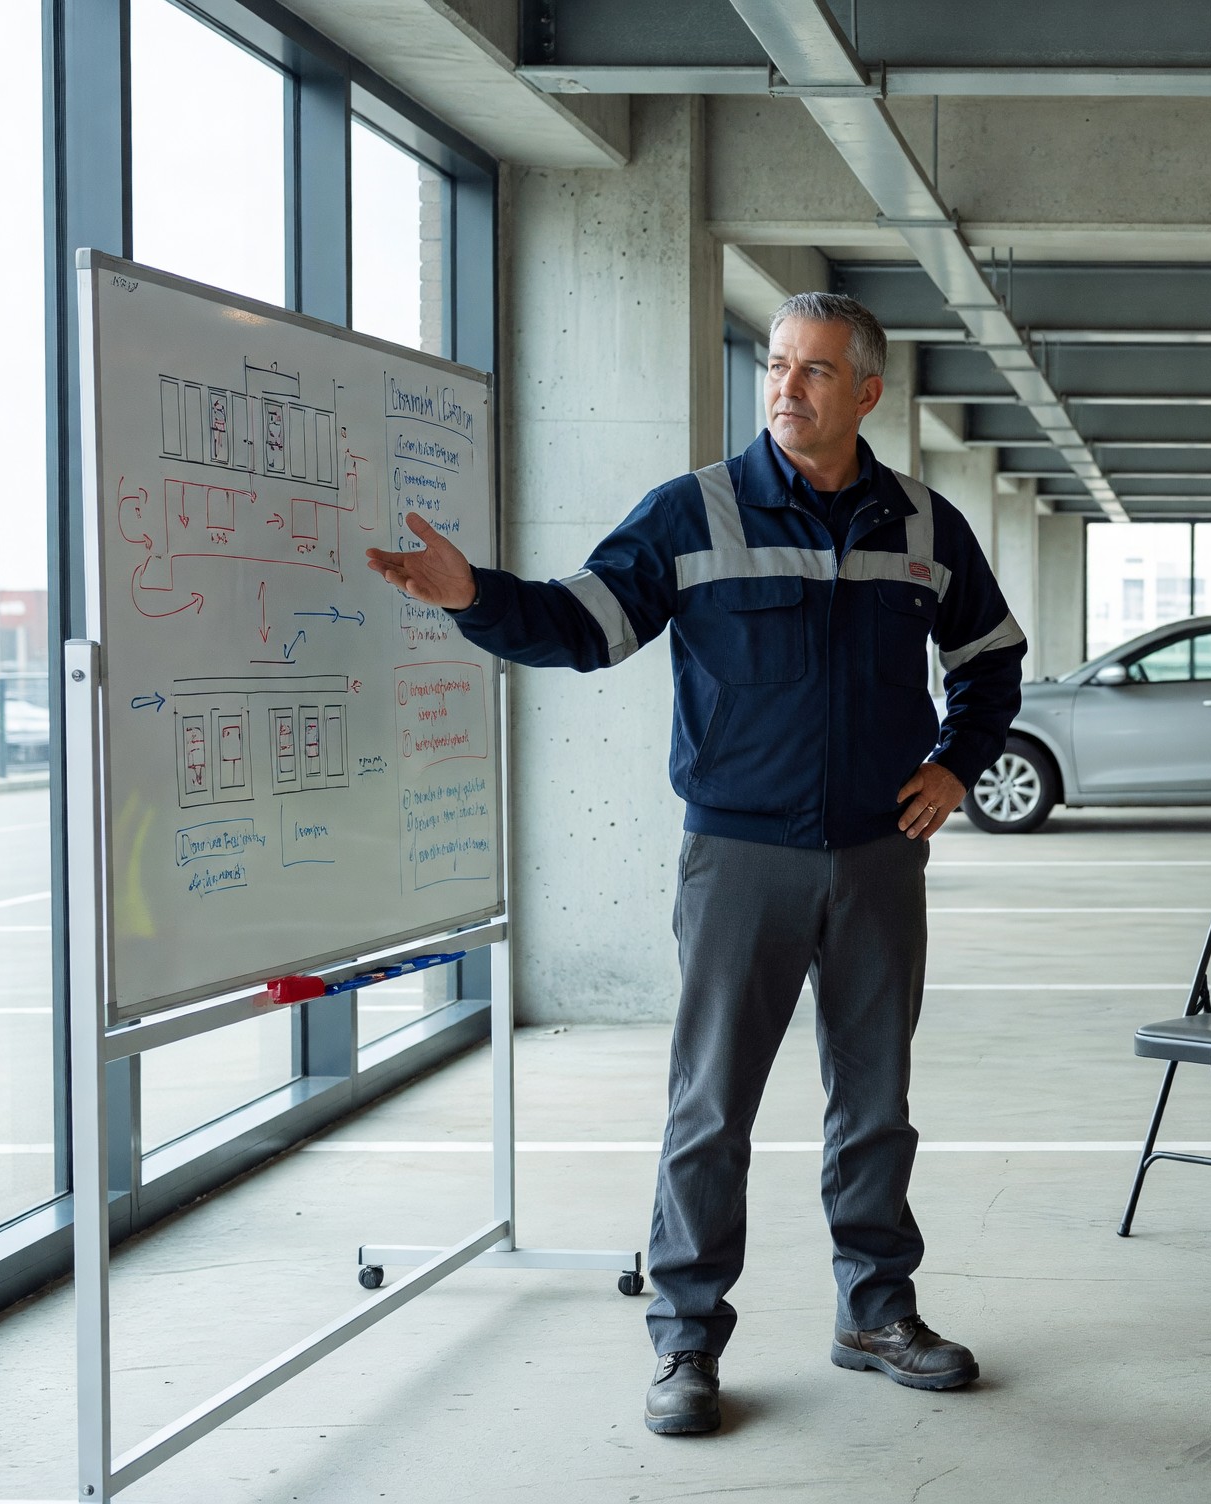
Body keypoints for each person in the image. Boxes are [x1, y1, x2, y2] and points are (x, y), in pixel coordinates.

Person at [363, 292, 1025, 1436]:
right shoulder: (694, 512)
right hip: (739, 858)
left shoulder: (923, 525)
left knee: (874, 1101)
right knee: (712, 1109)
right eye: (776, 366)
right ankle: (684, 1339)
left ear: (866, 391)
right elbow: (585, 622)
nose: (786, 388)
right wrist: (475, 597)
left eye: (815, 371)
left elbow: (991, 657)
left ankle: (875, 1311)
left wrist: (956, 763)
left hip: (877, 857)